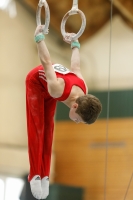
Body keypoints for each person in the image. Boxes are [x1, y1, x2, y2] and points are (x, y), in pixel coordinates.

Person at [26, 25, 102, 199]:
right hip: (37, 82)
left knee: (49, 131)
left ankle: (44, 175)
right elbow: (46, 62)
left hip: (54, 88)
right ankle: (34, 176)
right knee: (37, 128)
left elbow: (76, 66)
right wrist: (39, 38)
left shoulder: (84, 88)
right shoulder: (57, 89)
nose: (76, 122)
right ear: (75, 106)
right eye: (78, 120)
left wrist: (75, 44)